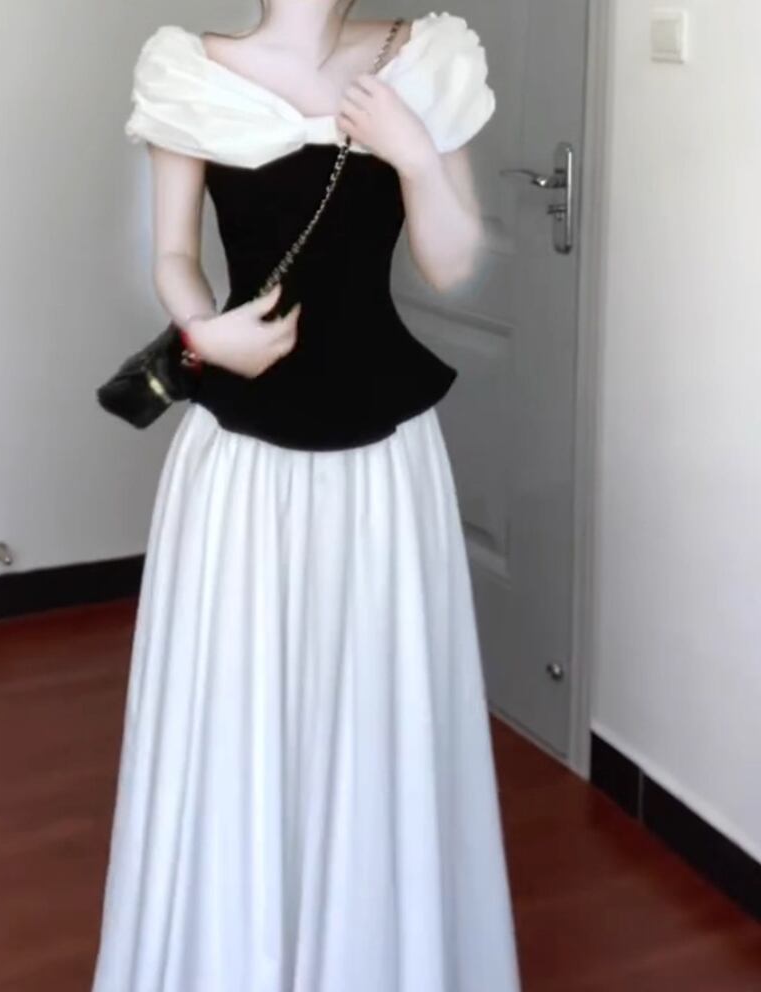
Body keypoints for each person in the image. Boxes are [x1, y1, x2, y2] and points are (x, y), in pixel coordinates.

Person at [91, 3, 521, 990]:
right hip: (239, 467)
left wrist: (414, 156)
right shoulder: (189, 72)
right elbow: (172, 254)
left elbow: (452, 263)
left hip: (383, 466)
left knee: (378, 719)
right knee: (235, 714)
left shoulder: (423, 60)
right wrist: (206, 333)